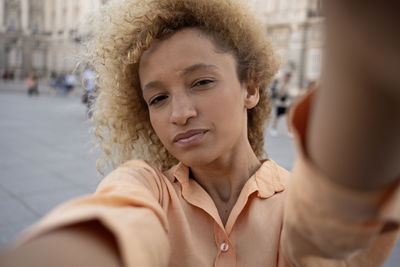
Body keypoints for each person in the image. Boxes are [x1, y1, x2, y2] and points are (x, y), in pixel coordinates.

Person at [1, 0, 399, 267]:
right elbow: (113, 222)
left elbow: (326, 236)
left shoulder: (293, 202)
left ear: (251, 87)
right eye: (157, 98)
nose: (180, 113)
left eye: (202, 82)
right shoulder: (147, 188)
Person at [270, 72, 292, 136]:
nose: (288, 79)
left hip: (286, 103)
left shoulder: (289, 84)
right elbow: (279, 94)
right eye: (287, 78)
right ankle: (273, 129)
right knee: (277, 116)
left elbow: (289, 94)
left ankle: (289, 131)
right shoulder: (280, 84)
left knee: (288, 117)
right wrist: (283, 85)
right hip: (280, 103)